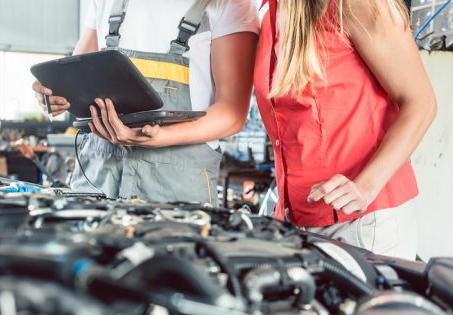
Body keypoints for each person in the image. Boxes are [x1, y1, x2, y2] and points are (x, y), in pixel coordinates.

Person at [254, 0, 437, 260]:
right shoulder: (270, 11)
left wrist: (365, 187)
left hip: (363, 223)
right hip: (300, 221)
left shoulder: (351, 4)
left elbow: (421, 103)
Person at [33, 0, 259, 206]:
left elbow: (232, 114)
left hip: (177, 190)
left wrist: (160, 137)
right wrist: (54, 96)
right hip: (97, 178)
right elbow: (76, 80)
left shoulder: (229, 4)